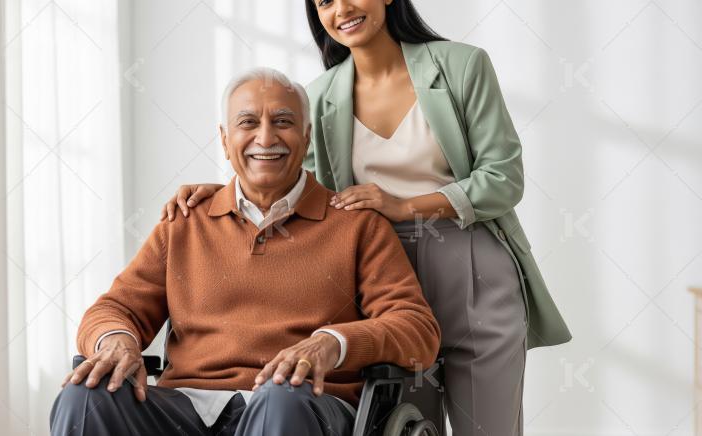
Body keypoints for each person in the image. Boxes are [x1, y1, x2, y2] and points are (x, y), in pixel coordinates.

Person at [161, 1, 572, 434]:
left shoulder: (461, 65)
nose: (341, 9)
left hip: (473, 274)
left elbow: (503, 178)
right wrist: (228, 189)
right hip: (379, 285)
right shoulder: (319, 96)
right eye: (324, 2)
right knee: (408, 427)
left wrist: (404, 205)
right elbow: (299, 188)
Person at [49, 67, 440, 436]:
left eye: (283, 122)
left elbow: (416, 328)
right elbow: (115, 308)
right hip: (187, 405)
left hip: (301, 403)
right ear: (224, 139)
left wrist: (331, 343)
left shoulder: (358, 226)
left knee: (281, 394)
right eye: (248, 122)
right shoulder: (184, 221)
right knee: (84, 395)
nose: (265, 138)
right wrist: (117, 340)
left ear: (305, 138)